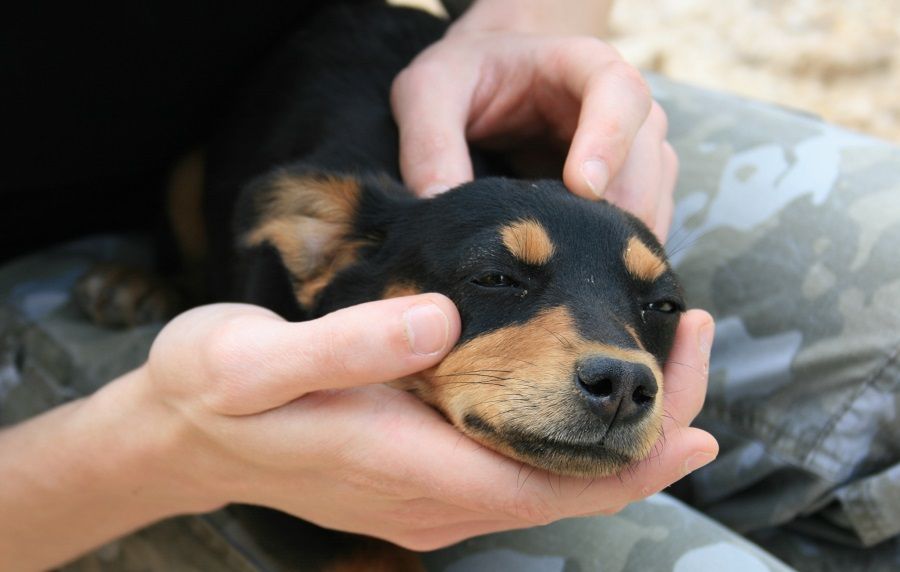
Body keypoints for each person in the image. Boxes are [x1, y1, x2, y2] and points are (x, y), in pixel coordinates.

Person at [0, 1, 722, 570]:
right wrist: (171, 445)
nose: (625, 368)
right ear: (325, 252)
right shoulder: (323, 231)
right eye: (500, 277)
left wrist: (536, 25)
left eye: (656, 304)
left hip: (461, 89)